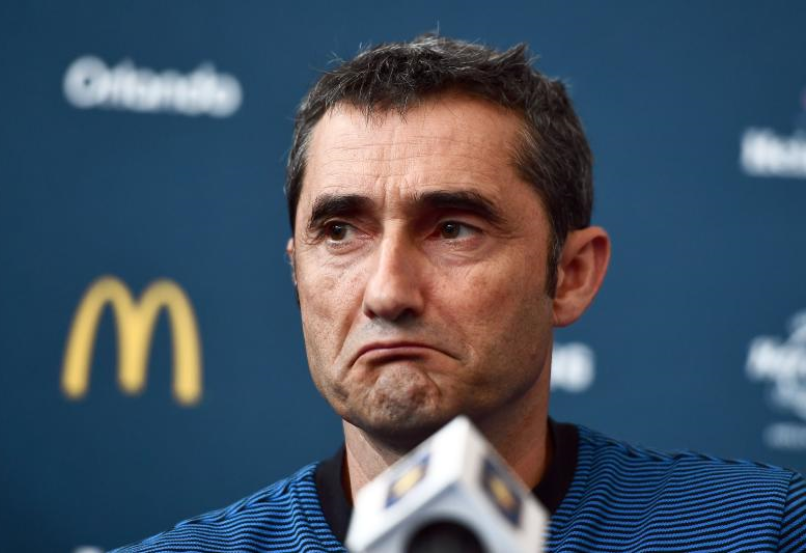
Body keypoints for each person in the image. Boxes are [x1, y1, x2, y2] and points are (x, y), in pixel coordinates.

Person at [113, 34, 806, 553]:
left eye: (453, 229)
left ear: (570, 275)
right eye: (340, 231)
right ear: (297, 273)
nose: (388, 292)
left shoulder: (765, 530)